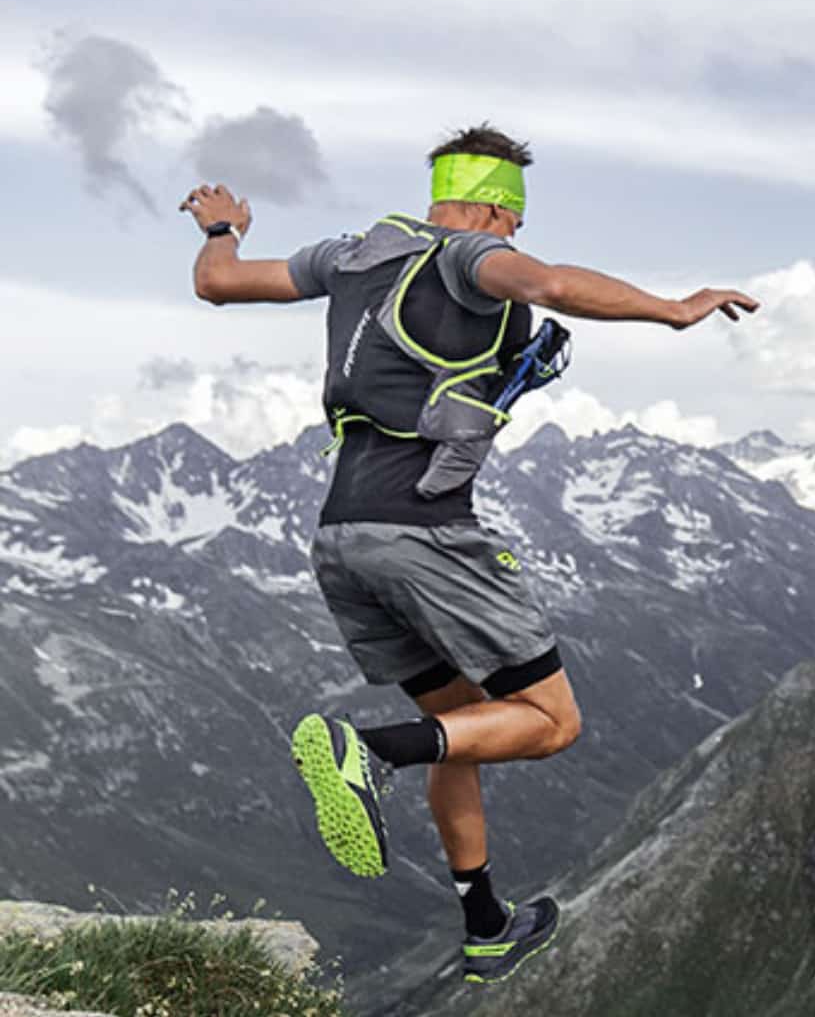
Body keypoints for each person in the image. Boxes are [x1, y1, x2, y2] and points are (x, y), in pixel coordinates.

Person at [178, 123, 758, 985]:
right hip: (425, 532)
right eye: (513, 218)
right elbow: (553, 283)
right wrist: (675, 308)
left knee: (461, 726)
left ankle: (485, 923)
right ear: (493, 205)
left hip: (342, 537)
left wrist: (223, 229)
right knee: (551, 722)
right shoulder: (470, 259)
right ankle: (367, 752)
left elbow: (218, 284)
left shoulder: (351, 256)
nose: (514, 236)